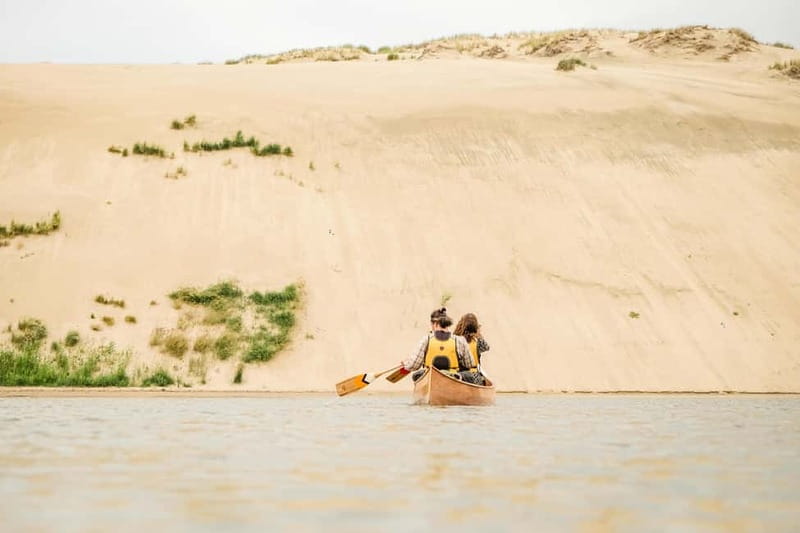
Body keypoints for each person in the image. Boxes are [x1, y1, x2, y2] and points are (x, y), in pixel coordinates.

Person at [397, 307, 481, 384]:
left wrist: (406, 364)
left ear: (435, 324)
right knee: (469, 375)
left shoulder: (426, 340)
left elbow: (414, 365)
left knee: (416, 375)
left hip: (430, 376)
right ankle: (454, 376)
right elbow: (469, 364)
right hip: (452, 376)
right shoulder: (459, 340)